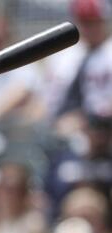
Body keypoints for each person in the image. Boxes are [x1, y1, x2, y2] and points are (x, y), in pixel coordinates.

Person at [43, 0, 112, 134]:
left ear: (103, 21)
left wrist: (87, 120)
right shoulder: (64, 57)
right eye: (84, 22)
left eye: (93, 22)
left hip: (102, 129)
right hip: (64, 128)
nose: (88, 29)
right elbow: (48, 101)